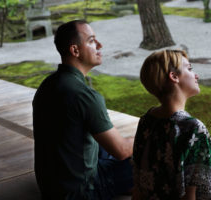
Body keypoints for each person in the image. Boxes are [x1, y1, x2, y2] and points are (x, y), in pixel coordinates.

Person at [32, 20, 134, 200]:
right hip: (82, 191)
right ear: (75, 50)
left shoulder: (48, 84)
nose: (100, 45)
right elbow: (122, 150)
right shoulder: (84, 95)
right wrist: (148, 134)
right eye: (92, 40)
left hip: (51, 186)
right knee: (151, 155)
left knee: (104, 145)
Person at [132, 49, 211, 200]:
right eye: (190, 69)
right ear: (174, 77)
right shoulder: (193, 128)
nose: (196, 75)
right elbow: (191, 195)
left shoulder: (146, 120)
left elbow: (138, 181)